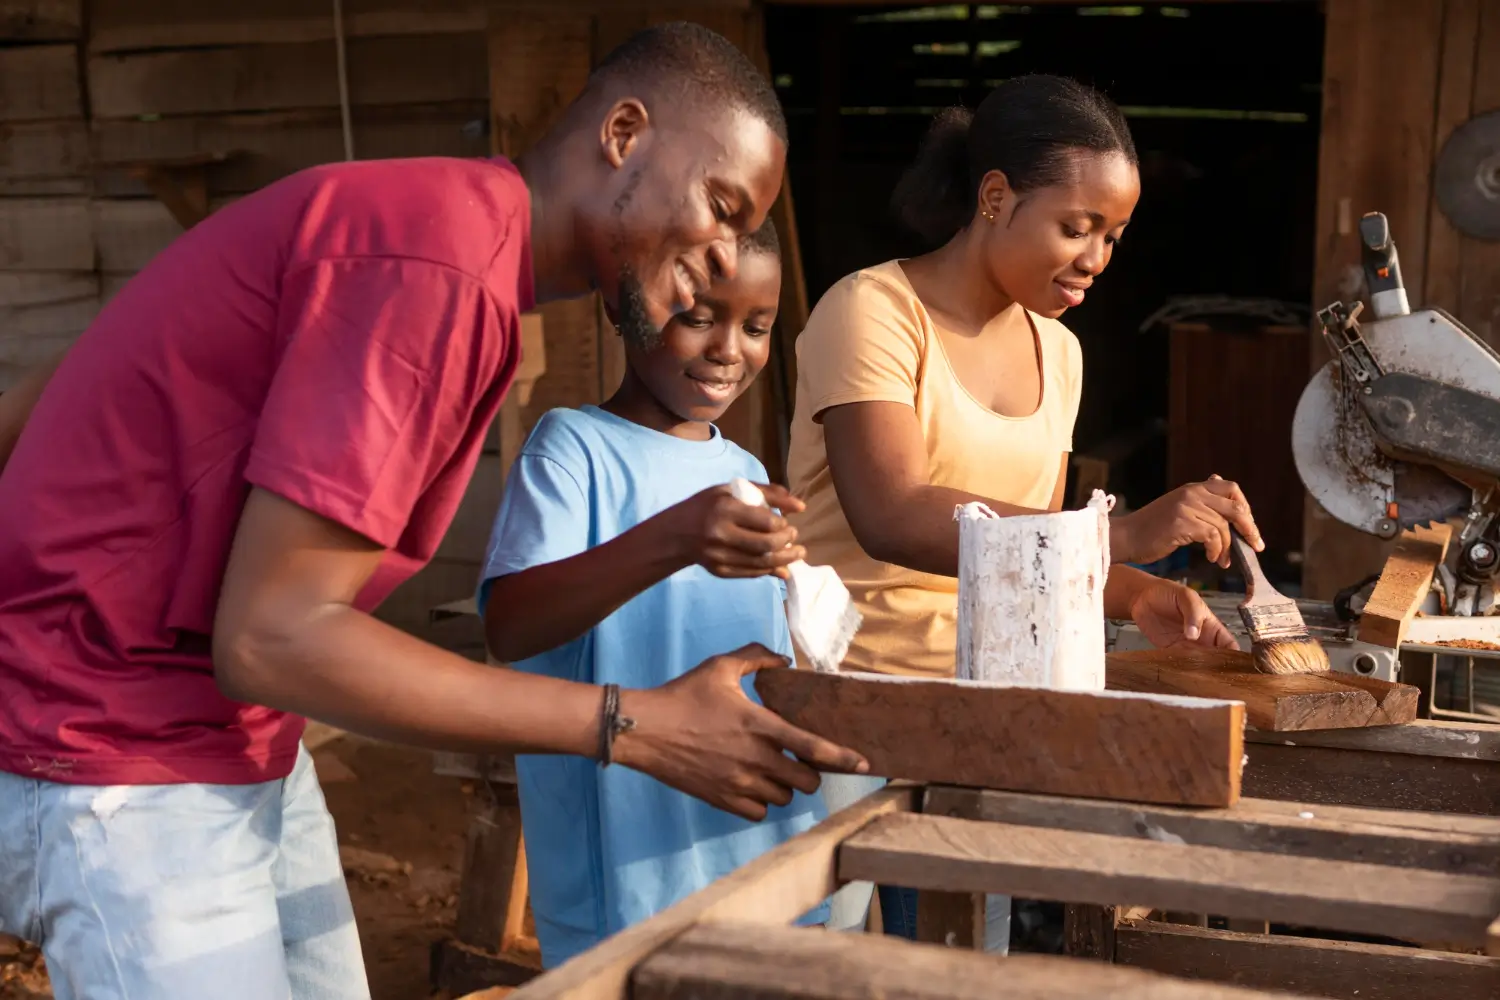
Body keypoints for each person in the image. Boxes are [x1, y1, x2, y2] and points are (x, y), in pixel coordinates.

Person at [0, 23, 865, 999]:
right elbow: (273, 636)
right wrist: (639, 724)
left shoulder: (449, 247)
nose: (720, 258)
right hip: (115, 746)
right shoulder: (441, 267)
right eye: (720, 207)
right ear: (625, 132)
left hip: (227, 732)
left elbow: (61, 385)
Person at [785, 76, 1263, 942]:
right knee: (826, 965)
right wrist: (1115, 535)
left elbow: (1026, 558)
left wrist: (1131, 593)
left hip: (987, 709)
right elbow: (889, 514)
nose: (1095, 258)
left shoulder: (1061, 352)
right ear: (996, 196)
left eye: (1112, 236)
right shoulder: (872, 312)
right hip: (846, 698)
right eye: (1075, 227)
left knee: (969, 962)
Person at [477, 221, 829, 967]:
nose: (730, 349)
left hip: (744, 843)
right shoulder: (571, 448)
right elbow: (510, 627)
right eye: (699, 318)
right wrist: (674, 538)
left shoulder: (742, 467)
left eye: (757, 327)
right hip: (627, 865)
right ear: (626, 310)